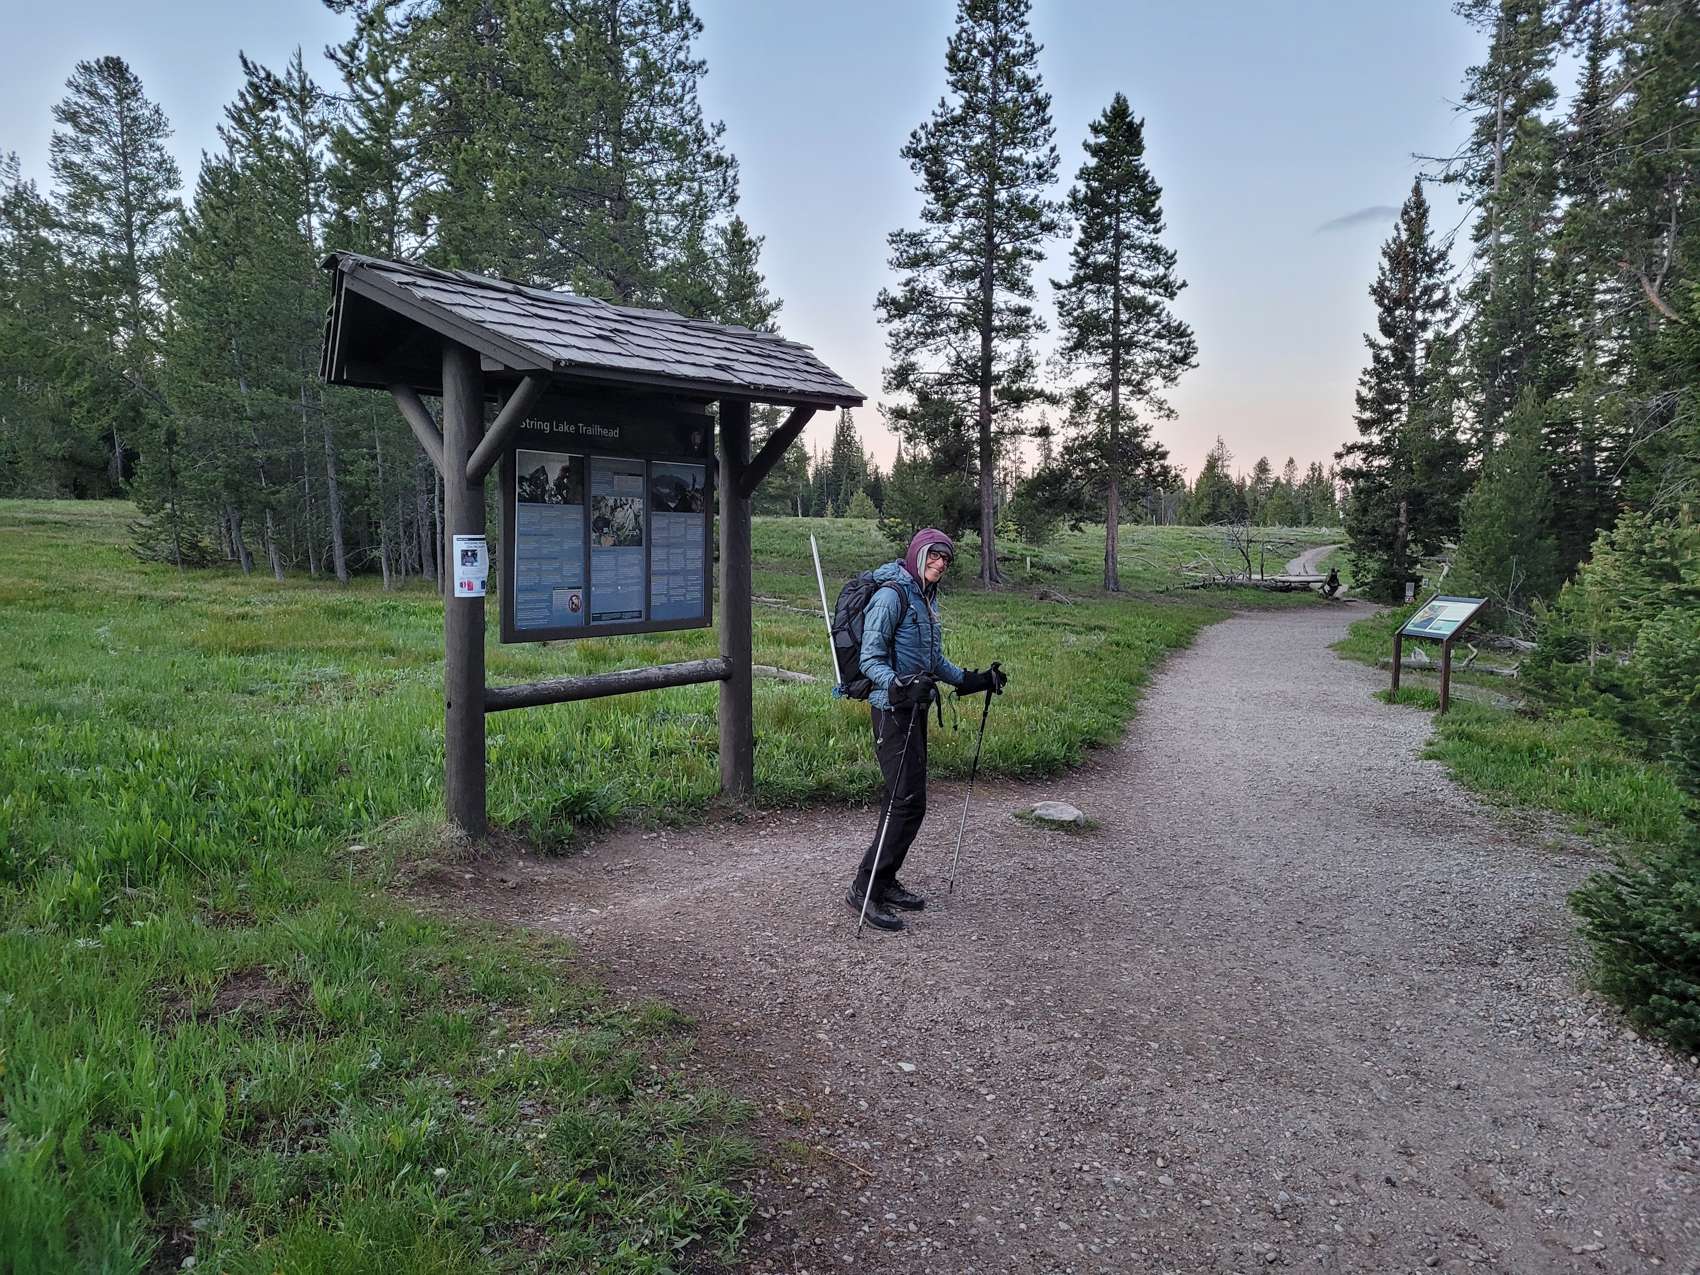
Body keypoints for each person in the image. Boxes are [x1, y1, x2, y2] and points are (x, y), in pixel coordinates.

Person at [849, 528, 1007, 931]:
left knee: (908, 801)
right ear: (918, 554)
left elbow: (933, 661)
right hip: (891, 710)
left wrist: (973, 679)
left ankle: (884, 881)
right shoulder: (892, 596)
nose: (940, 563)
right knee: (904, 801)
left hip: (914, 708)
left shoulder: (925, 596)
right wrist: (900, 684)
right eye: (934, 555)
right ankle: (865, 888)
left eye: (946, 558)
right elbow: (870, 659)